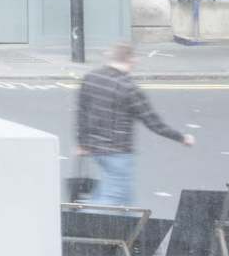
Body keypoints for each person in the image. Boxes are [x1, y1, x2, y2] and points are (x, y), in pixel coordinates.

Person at [71, 41, 192, 208]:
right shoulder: (129, 88)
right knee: (110, 203)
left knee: (125, 203)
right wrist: (181, 137)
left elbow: (82, 112)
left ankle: (130, 232)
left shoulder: (91, 78)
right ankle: (85, 228)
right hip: (117, 153)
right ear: (130, 59)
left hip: (94, 149)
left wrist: (81, 143)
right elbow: (153, 123)